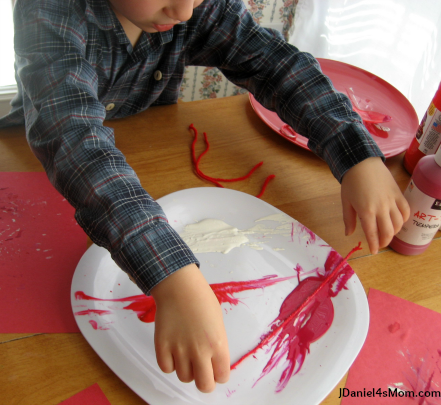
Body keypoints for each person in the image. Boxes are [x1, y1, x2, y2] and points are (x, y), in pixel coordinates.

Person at [0, 0, 410, 394]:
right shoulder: (47, 10)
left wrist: (355, 153)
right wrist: (173, 278)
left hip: (148, 150)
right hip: (35, 169)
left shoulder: (193, 5)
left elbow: (275, 65)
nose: (184, 12)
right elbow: (72, 139)